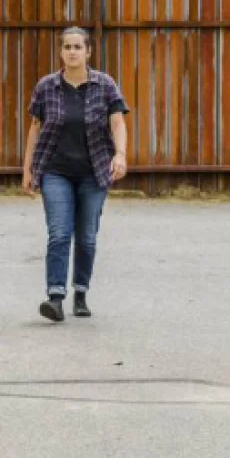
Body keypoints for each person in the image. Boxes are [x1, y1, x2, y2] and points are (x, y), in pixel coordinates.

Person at [21, 26, 130, 322]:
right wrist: (27, 169)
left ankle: (80, 292)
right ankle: (55, 298)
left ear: (88, 52)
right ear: (60, 52)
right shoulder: (46, 87)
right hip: (55, 171)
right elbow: (35, 128)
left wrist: (120, 154)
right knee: (59, 233)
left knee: (86, 237)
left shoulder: (105, 85)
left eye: (77, 47)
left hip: (94, 173)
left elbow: (117, 123)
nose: (72, 52)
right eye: (67, 47)